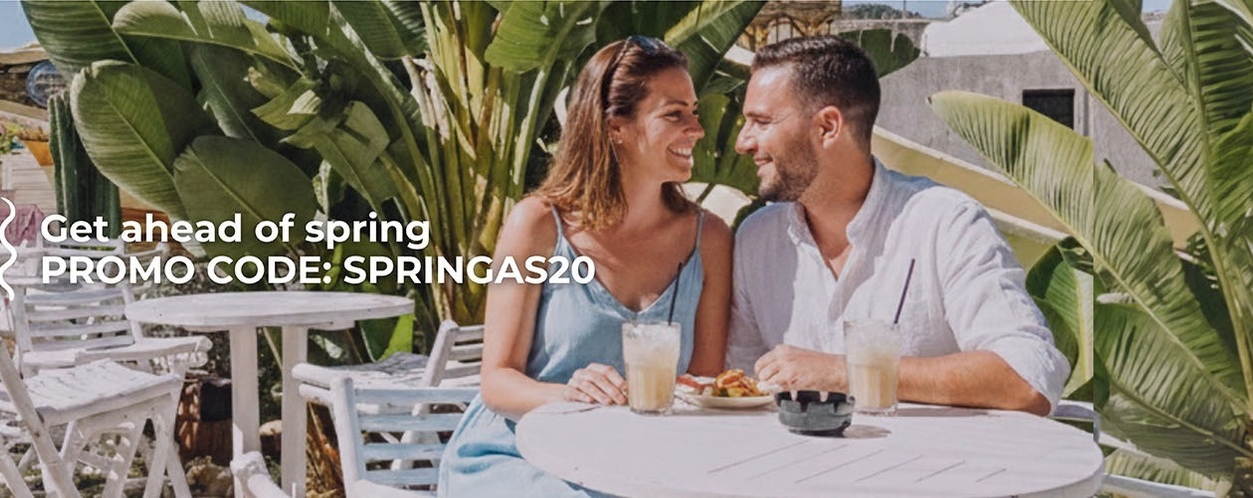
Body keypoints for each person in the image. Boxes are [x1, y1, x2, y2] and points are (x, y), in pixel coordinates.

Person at [438, 36, 733, 495]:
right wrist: (572, 397)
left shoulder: (710, 239)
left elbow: (703, 383)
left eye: (693, 112)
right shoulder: (536, 226)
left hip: (636, 468)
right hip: (520, 457)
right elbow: (497, 381)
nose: (696, 129)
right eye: (674, 115)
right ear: (616, 126)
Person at [726, 35, 1069, 415]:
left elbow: (1028, 377)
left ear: (827, 127)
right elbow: (740, 383)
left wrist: (847, 373)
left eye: (761, 122)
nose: (743, 142)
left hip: (929, 471)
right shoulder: (756, 239)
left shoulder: (945, 223)